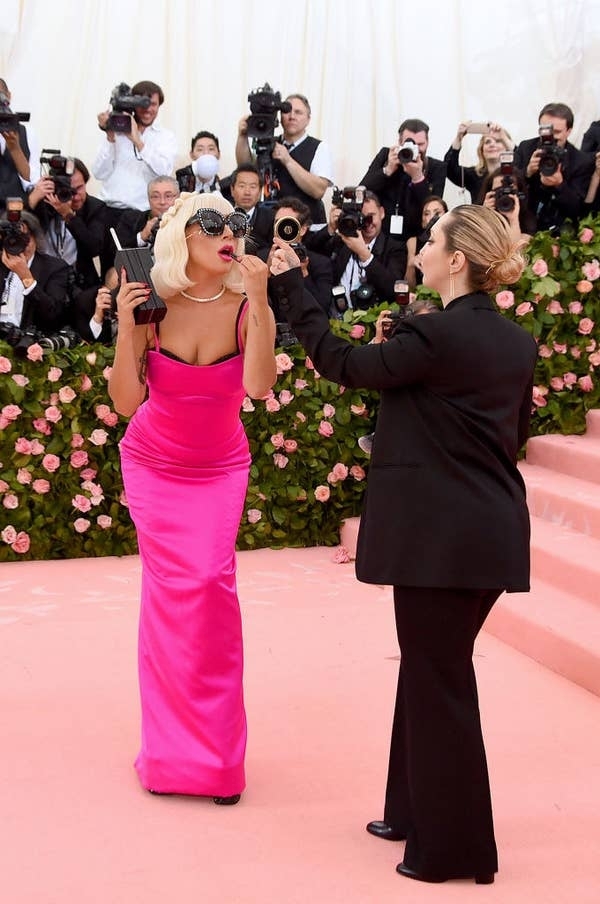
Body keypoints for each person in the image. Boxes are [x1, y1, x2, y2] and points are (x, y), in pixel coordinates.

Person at [269, 204, 537, 884]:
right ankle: (408, 811)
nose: (422, 244)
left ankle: (455, 851)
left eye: (435, 238)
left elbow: (342, 363)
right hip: (489, 530)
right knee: (430, 668)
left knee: (439, 678)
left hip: (442, 541)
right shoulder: (513, 340)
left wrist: (291, 286)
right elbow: (492, 422)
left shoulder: (436, 336)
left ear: (456, 260)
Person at [108, 192, 276, 801]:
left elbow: (258, 386)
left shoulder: (245, 305)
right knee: (167, 600)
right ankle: (170, 756)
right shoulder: (152, 307)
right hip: (153, 463)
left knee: (209, 586)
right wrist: (126, 331)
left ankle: (217, 761)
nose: (228, 233)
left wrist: (259, 302)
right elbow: (126, 404)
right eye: (212, 225)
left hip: (218, 469)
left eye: (235, 224)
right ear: (182, 237)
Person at [235, 93, 334, 224]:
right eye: (287, 111)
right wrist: (242, 136)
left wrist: (288, 161)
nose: (292, 116)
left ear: (308, 119)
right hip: (270, 222)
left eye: (298, 112)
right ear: (279, 117)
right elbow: (246, 169)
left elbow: (318, 190)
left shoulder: (319, 147)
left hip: (307, 225)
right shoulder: (267, 142)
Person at [309, 189, 407, 312]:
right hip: (338, 315)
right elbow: (310, 253)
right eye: (362, 218)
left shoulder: (395, 248)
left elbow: (394, 289)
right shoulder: (343, 242)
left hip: (375, 318)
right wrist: (331, 227)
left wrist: (364, 255)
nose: (367, 223)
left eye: (370, 217)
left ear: (381, 213)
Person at [92, 80, 178, 212]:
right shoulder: (115, 130)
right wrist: (110, 137)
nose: (148, 109)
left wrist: (138, 141)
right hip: (107, 207)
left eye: (153, 104)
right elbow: (99, 173)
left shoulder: (166, 137)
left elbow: (163, 172)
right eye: (142, 104)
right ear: (132, 104)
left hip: (140, 212)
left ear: (159, 106)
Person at [25, 157, 109, 290]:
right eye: (69, 190)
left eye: (80, 188)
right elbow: (18, 229)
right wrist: (32, 199)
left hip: (78, 278)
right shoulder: (44, 203)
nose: (75, 196)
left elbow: (94, 247)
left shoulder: (95, 207)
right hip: (42, 275)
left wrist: (68, 215)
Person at [360, 118, 447, 240]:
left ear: (428, 143)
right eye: (410, 143)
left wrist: (418, 178)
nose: (414, 149)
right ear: (399, 142)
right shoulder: (386, 156)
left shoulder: (437, 167)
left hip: (416, 239)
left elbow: (433, 209)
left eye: (420, 144)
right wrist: (387, 170)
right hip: (382, 237)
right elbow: (362, 191)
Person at [513, 102, 594, 233]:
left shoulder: (580, 161)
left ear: (569, 131)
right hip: (524, 224)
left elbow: (578, 209)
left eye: (556, 132)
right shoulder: (526, 148)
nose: (551, 137)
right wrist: (527, 172)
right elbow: (509, 184)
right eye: (546, 130)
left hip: (559, 231)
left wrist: (560, 185)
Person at [0, 209, 71, 333]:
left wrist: (26, 277)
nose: (20, 246)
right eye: (13, 239)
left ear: (35, 238)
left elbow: (53, 315)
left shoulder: (55, 267)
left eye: (24, 239)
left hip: (29, 342)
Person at [267, 196, 332, 315]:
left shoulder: (321, 263)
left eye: (288, 223)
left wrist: (302, 272)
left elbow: (322, 306)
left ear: (302, 229)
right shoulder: (263, 258)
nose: (283, 228)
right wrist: (267, 273)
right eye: (278, 223)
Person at [443, 121, 514, 201]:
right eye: (487, 142)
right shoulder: (474, 175)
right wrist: (459, 138)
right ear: (481, 150)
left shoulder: (515, 173)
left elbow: (522, 159)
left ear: (506, 147)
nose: (492, 145)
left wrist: (504, 137)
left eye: (498, 141)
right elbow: (448, 169)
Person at [0, 77, 40, 204]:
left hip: (18, 209)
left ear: (8, 96)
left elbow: (31, 180)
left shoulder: (27, 132)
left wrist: (15, 149)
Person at [478, 165, 536, 242]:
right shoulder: (478, 215)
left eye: (510, 192)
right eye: (499, 191)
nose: (505, 197)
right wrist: (486, 216)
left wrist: (513, 220)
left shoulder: (527, 220)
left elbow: (515, 250)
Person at [229, 163, 274, 256]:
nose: (247, 192)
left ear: (260, 191)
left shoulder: (271, 217)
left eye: (252, 187)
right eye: (242, 186)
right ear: (232, 190)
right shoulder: (224, 214)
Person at [405, 195, 447, 289]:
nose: (432, 217)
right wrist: (411, 265)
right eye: (427, 213)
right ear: (422, 220)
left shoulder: (453, 240)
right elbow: (410, 287)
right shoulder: (413, 242)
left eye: (437, 213)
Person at [175, 130, 230, 197]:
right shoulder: (181, 182)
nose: (206, 153)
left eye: (211, 149)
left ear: (218, 154)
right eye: (200, 149)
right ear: (192, 155)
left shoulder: (226, 187)